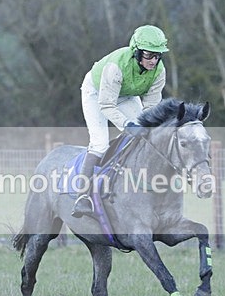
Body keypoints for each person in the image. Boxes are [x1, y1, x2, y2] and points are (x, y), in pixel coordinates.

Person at [72, 24, 169, 218]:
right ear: (137, 52)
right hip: (97, 92)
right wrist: (127, 125)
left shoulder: (159, 71)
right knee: (99, 143)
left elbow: (151, 106)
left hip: (126, 94)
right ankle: (82, 196)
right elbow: (107, 105)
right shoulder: (116, 67)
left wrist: (144, 125)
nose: (154, 60)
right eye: (149, 55)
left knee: (145, 136)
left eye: (158, 55)